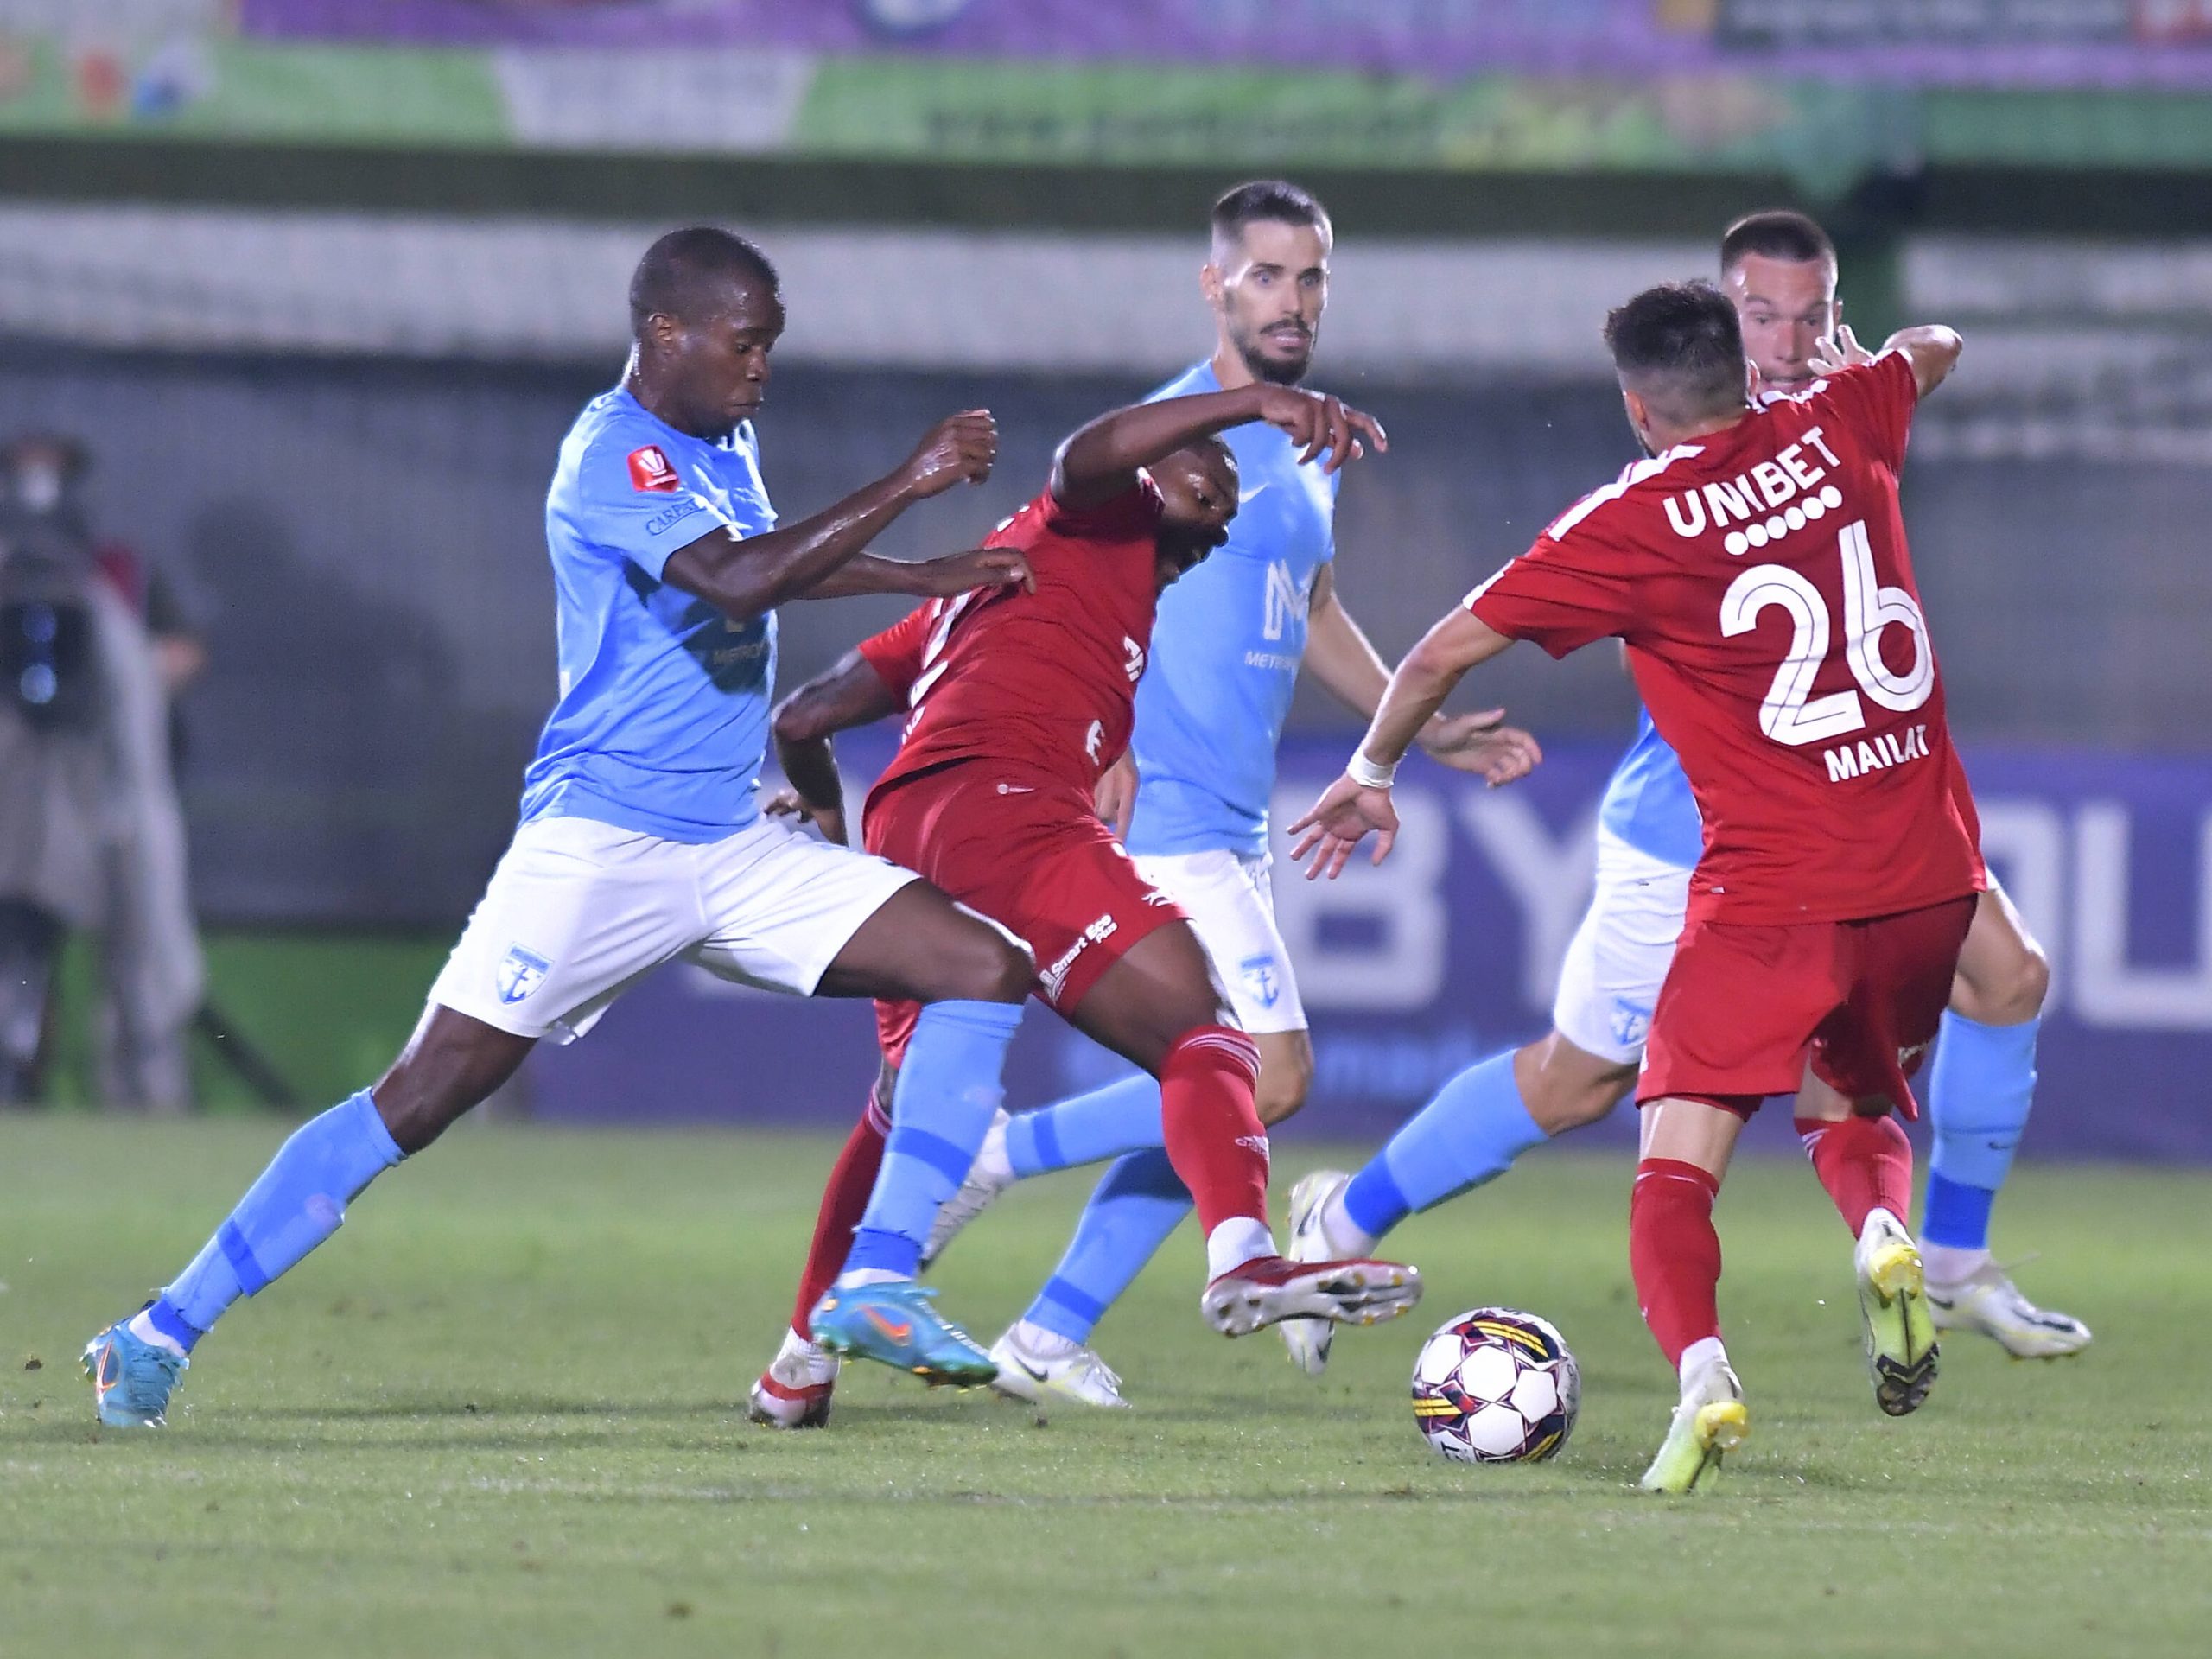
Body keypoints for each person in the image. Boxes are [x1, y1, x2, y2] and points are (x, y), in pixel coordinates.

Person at [81, 226, 1046, 1428]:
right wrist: (911, 479)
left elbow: (770, 560)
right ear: (666, 333)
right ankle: (157, 1330)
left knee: (984, 966)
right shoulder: (611, 454)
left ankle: (879, 1277)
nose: (762, 369)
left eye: (771, 347)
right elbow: (737, 580)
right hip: (601, 847)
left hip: (733, 840)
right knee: (419, 1100)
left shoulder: (723, 438)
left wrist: (932, 575)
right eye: (746, 345)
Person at [1282, 209, 2086, 1370]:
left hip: (1840, 828)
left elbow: (1912, 362)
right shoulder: (1669, 488)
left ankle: (1949, 1262)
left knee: (2008, 981)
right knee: (1580, 1083)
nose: (1796, 337)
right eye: (1767, 315)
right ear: (1725, 321)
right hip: (1701, 838)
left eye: (1817, 315)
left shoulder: (1823, 420)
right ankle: (1342, 1226)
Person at [848, 180, 1534, 1411]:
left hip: (1232, 815)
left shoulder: (1309, 450)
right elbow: (1079, 551)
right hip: (1152, 811)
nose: (1292, 299)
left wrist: (1407, 732)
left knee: (1218, 1083)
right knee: (1261, 1074)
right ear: (1213, 286)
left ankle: (1050, 1334)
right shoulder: (1178, 438)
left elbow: (1310, 606)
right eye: (1264, 275)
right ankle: (997, 1161)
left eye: (1311, 276)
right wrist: (1096, 742)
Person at [748, 378, 1425, 1428]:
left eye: (1230, 490)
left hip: (918, 832)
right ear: (1156, 476)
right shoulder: (1096, 520)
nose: (1222, 492)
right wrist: (1251, 402)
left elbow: (805, 714)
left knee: (902, 1102)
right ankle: (1241, 1256)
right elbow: (1085, 455)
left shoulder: (987, 596)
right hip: (1005, 815)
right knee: (1207, 1037)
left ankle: (801, 1363)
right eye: (1206, 470)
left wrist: (841, 847)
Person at [0, 433, 203, 1110]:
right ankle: (18, 1072)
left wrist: (134, 680)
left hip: (107, 789)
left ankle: (140, 1086)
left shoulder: (116, 571)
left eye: (51, 469)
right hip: (17, 789)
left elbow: (181, 652)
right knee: (23, 940)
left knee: (138, 946)